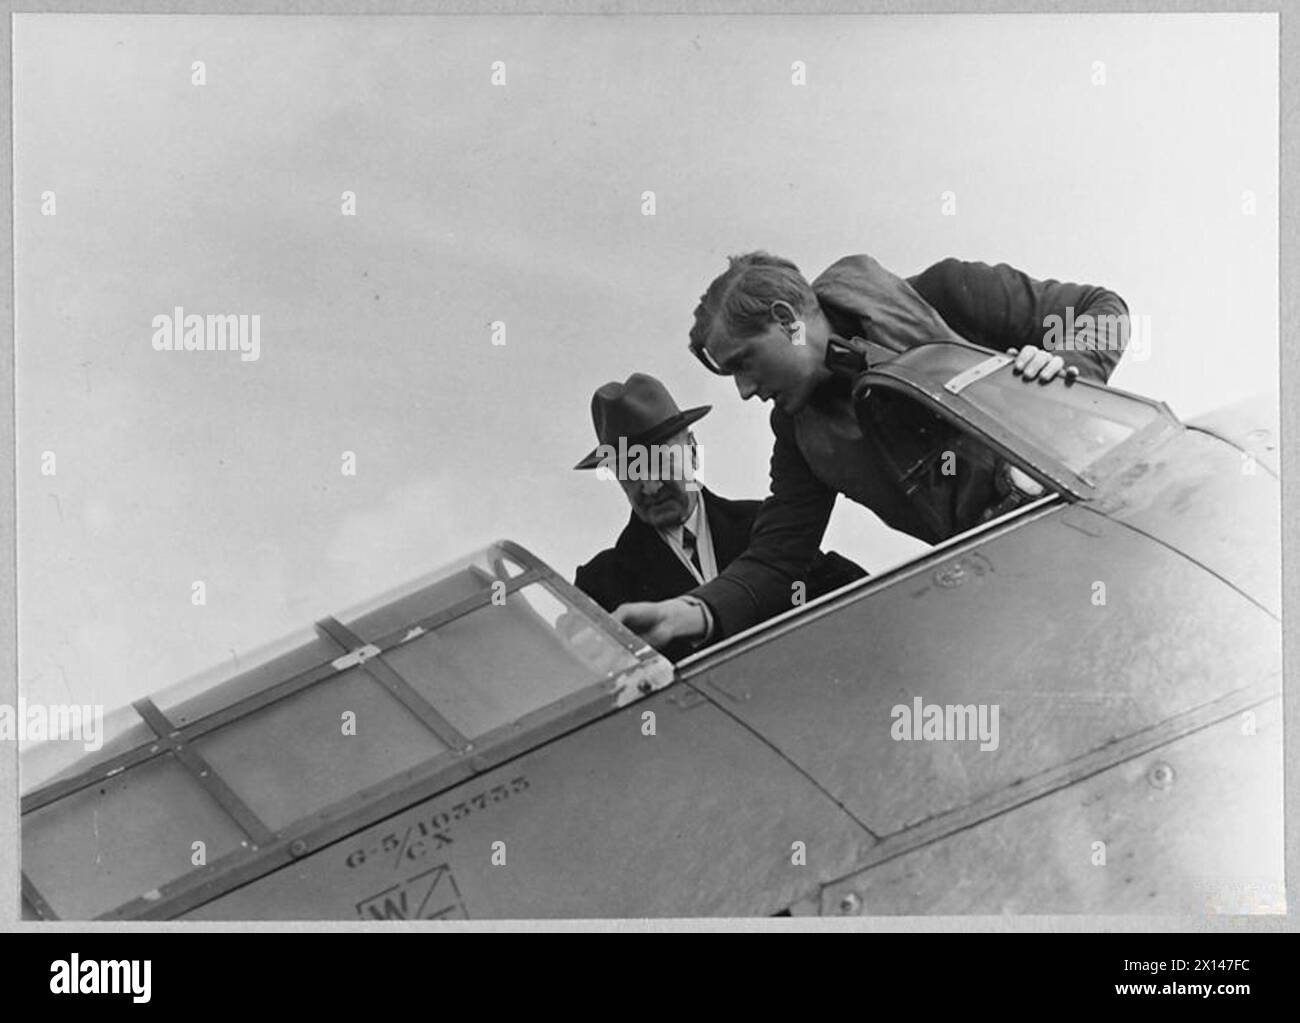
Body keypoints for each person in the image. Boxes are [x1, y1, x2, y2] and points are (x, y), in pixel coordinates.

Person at [612, 253, 1130, 652]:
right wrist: (685, 613)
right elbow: (775, 562)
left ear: (787, 318)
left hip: (1114, 522)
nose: (745, 390)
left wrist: (1065, 367)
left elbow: (1104, 310)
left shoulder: (945, 295)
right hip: (1022, 584)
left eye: (745, 362)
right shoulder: (799, 434)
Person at [572, 373, 865, 652]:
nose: (649, 486)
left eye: (658, 462)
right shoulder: (600, 584)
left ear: (693, 450)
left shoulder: (766, 527)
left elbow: (846, 594)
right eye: (629, 472)